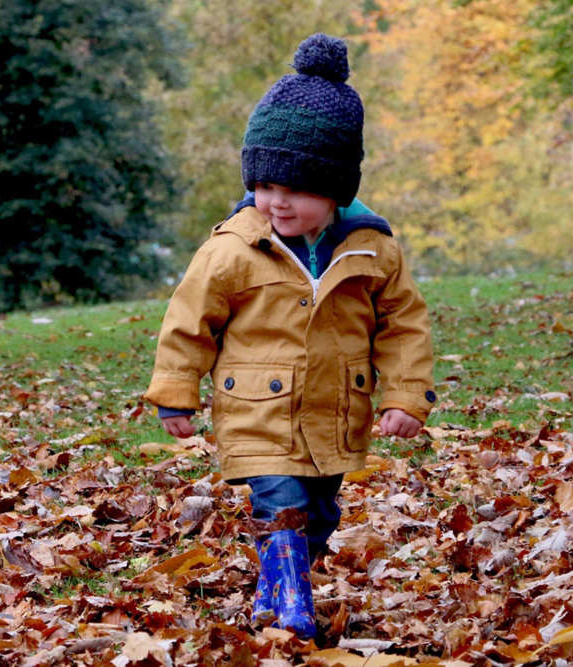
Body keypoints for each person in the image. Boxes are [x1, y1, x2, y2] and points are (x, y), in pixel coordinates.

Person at [144, 33, 435, 639]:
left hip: (334, 414)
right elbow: (190, 317)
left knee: (321, 513)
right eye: (265, 186)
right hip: (256, 409)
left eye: (295, 189)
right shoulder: (234, 248)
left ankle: (273, 591)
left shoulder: (372, 249)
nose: (276, 202)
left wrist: (405, 397)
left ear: (335, 189)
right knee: (281, 504)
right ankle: (295, 607)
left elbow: (403, 326)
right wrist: (176, 389)